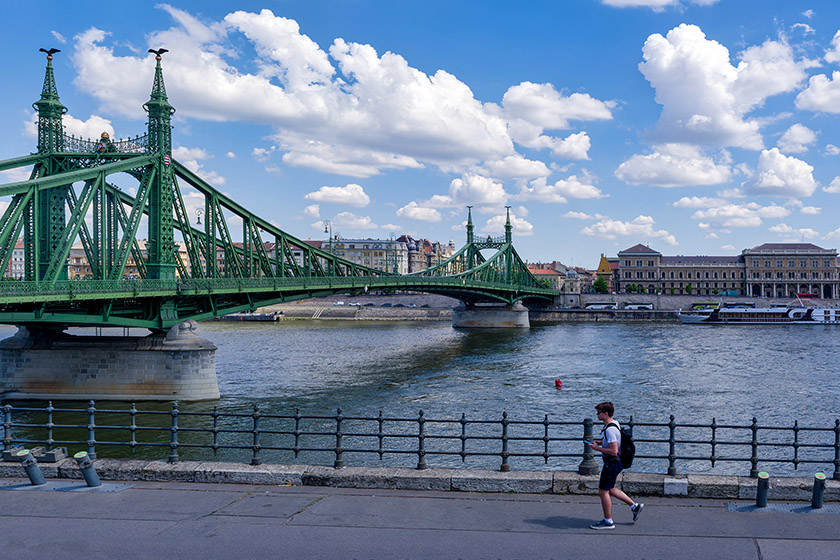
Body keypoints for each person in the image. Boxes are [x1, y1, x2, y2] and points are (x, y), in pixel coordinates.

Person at [588, 401, 643, 530]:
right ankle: (634, 506)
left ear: (605, 414)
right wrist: (601, 443)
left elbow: (613, 450)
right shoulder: (614, 423)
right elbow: (613, 443)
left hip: (612, 464)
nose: (597, 414)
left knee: (603, 491)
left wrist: (597, 448)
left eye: (599, 412)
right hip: (616, 463)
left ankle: (608, 521)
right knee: (610, 489)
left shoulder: (610, 429)